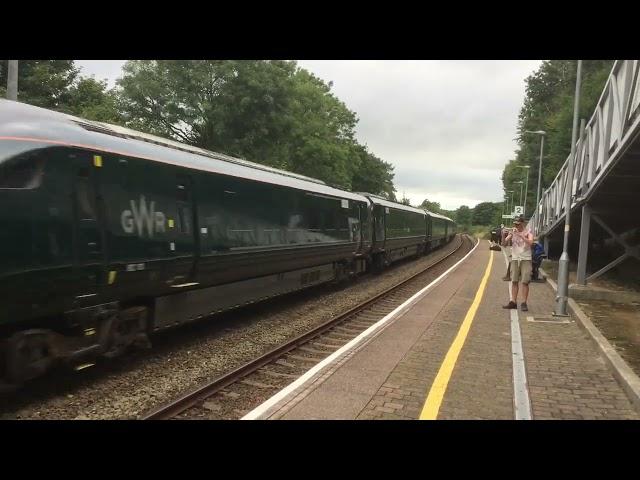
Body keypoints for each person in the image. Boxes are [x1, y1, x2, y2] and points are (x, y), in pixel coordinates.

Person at [502, 216, 534, 311]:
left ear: (522, 224)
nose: (516, 226)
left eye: (518, 224)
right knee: (514, 280)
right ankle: (513, 302)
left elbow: (531, 243)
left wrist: (521, 236)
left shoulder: (529, 231)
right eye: (515, 224)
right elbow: (504, 244)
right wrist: (504, 235)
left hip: (526, 258)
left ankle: (524, 302)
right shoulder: (513, 232)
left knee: (525, 281)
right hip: (516, 258)